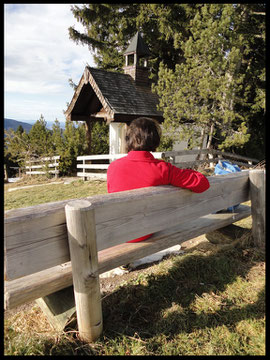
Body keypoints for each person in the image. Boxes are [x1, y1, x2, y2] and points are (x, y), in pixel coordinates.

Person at [107, 117, 210, 243]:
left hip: (117, 232)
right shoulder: (163, 169)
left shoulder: (113, 167)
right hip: (144, 232)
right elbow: (203, 183)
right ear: (155, 141)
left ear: (128, 140)